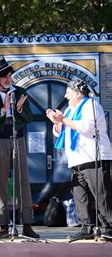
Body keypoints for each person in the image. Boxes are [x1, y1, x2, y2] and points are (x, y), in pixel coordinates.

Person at [0, 58, 39, 239]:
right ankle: (3, 225)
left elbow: (29, 118)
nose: (8, 78)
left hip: (18, 137)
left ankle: (27, 224)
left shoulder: (20, 92)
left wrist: (19, 109)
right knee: (0, 183)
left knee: (23, 182)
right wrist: (3, 110)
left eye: (9, 75)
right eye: (4, 76)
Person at [46, 80, 112, 240]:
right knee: (80, 196)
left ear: (77, 93)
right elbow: (60, 132)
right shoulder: (69, 109)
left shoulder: (91, 105)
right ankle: (87, 227)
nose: (65, 95)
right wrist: (56, 122)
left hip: (94, 156)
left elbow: (85, 127)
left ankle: (108, 228)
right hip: (76, 159)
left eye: (68, 92)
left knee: (101, 194)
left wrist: (63, 120)